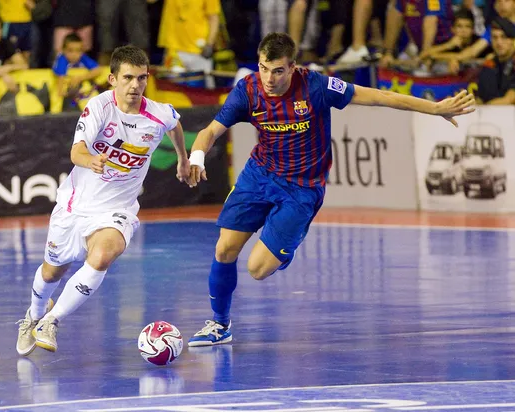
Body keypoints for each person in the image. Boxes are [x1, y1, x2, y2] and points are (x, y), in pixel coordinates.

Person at [185, 32, 475, 347]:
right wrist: (197, 157)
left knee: (257, 269)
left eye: (278, 70)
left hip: (301, 189)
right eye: (264, 68)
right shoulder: (248, 90)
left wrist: (434, 109)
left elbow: (380, 96)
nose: (269, 78)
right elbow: (210, 130)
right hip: (259, 177)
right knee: (224, 249)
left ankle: (285, 240)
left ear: (292, 67)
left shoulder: (317, 87)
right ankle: (219, 324)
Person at [16, 45, 191, 355]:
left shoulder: (157, 113)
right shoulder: (98, 107)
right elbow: (76, 151)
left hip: (117, 209)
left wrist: (182, 158)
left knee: (103, 255)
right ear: (112, 79)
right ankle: (33, 316)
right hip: (76, 203)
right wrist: (91, 161)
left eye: (142, 78)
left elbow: (175, 123)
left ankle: (51, 321)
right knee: (52, 271)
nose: (135, 85)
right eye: (128, 78)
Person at [52, 33, 102, 98]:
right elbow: (60, 78)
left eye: (78, 50)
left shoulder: (82, 57)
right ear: (63, 50)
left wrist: (79, 78)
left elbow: (98, 70)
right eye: (70, 50)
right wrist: (61, 93)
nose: (74, 54)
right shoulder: (62, 59)